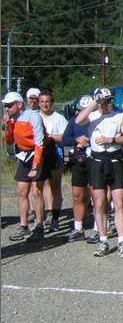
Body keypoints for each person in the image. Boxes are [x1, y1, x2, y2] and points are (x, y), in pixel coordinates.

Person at [75, 88, 123, 258]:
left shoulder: (118, 115)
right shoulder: (92, 116)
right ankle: (103, 239)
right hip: (97, 161)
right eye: (105, 101)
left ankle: (122, 241)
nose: (108, 105)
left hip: (114, 161)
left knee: (119, 202)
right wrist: (95, 102)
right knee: (99, 203)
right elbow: (78, 120)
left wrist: (112, 139)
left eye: (109, 101)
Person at [4, 91, 47, 242]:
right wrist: (7, 125)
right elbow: (9, 141)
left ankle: (39, 226)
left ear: (19, 104)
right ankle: (23, 226)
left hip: (36, 154)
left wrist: (35, 165)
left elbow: (39, 142)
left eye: (9, 105)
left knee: (36, 192)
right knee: (22, 191)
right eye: (5, 106)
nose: (7, 108)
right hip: (23, 155)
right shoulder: (12, 120)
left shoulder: (33, 116)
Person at [62, 95, 93, 243]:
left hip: (95, 161)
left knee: (97, 195)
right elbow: (64, 140)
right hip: (78, 162)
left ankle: (99, 229)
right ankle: (78, 227)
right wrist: (76, 141)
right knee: (77, 195)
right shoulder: (73, 122)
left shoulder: (98, 121)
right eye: (81, 110)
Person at [38, 90, 68, 232]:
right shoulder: (35, 116)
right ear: (39, 103)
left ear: (52, 103)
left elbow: (65, 137)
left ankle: (55, 218)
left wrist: (50, 137)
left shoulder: (59, 118)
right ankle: (40, 219)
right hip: (39, 156)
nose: (45, 104)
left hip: (55, 154)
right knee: (39, 188)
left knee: (55, 187)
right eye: (42, 101)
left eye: (47, 101)